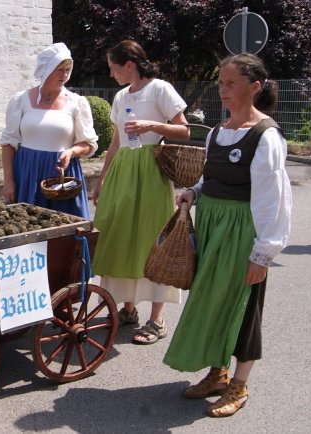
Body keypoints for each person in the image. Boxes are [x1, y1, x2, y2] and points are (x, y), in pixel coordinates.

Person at [163, 53, 292, 417]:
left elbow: (274, 200)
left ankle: (239, 384)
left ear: (255, 87)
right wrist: (195, 192)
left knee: (244, 306)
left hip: (242, 231)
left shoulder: (266, 136)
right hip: (211, 226)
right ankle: (217, 373)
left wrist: (263, 254)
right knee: (210, 300)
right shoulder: (219, 131)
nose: (223, 89)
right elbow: (211, 176)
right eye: (221, 82)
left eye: (231, 83)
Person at [91, 40, 190, 345]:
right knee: (119, 235)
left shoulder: (160, 89)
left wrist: (151, 125)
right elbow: (117, 141)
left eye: (113, 66)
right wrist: (102, 177)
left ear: (129, 65)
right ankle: (127, 309)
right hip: (123, 171)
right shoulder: (121, 96)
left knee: (151, 239)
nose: (110, 73)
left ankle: (157, 320)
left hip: (151, 171)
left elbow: (184, 129)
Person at [0, 42, 98, 219]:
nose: (65, 74)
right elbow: (8, 143)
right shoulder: (21, 100)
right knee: (25, 229)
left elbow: (88, 144)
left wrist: (71, 152)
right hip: (27, 173)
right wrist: (9, 181)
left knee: (63, 233)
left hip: (62, 177)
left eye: (67, 68)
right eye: (59, 69)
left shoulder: (76, 102)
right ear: (46, 69)